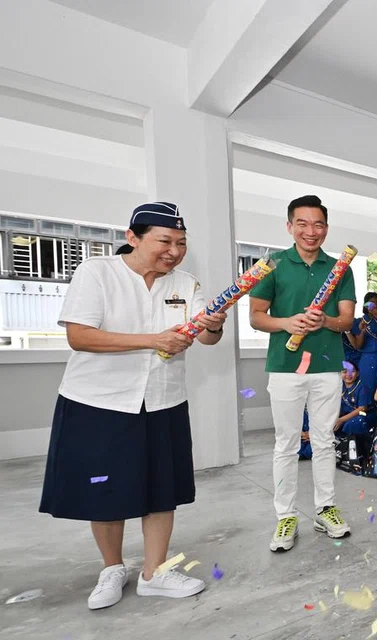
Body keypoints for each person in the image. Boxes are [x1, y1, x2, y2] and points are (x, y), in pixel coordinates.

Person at [39, 202, 223, 609]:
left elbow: (208, 338)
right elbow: (80, 336)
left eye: (181, 243)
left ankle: (154, 573)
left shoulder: (186, 283)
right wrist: (153, 340)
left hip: (163, 400)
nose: (174, 251)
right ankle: (112, 568)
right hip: (99, 401)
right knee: (106, 489)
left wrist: (215, 325)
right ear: (132, 238)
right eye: (164, 241)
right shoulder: (98, 273)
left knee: (162, 488)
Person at [249, 195, 356, 553]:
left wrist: (325, 320)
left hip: (327, 366)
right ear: (289, 226)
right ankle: (286, 516)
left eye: (318, 224)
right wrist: (287, 323)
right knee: (287, 443)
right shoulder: (272, 265)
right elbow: (256, 317)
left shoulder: (340, 268)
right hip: (285, 367)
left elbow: (346, 321)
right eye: (303, 223)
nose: (311, 231)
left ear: (326, 228)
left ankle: (325, 509)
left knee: (324, 440)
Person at [347, 292, 377, 396]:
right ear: (366, 305)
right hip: (367, 360)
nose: (375, 306)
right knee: (367, 388)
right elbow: (358, 345)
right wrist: (362, 331)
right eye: (371, 303)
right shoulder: (360, 321)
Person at [335, 363, 375, 435]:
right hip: (346, 416)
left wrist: (342, 420)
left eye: (352, 371)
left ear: (358, 373)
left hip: (364, 415)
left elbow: (362, 409)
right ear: (340, 373)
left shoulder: (362, 387)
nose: (348, 374)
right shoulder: (338, 386)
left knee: (351, 424)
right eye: (345, 372)